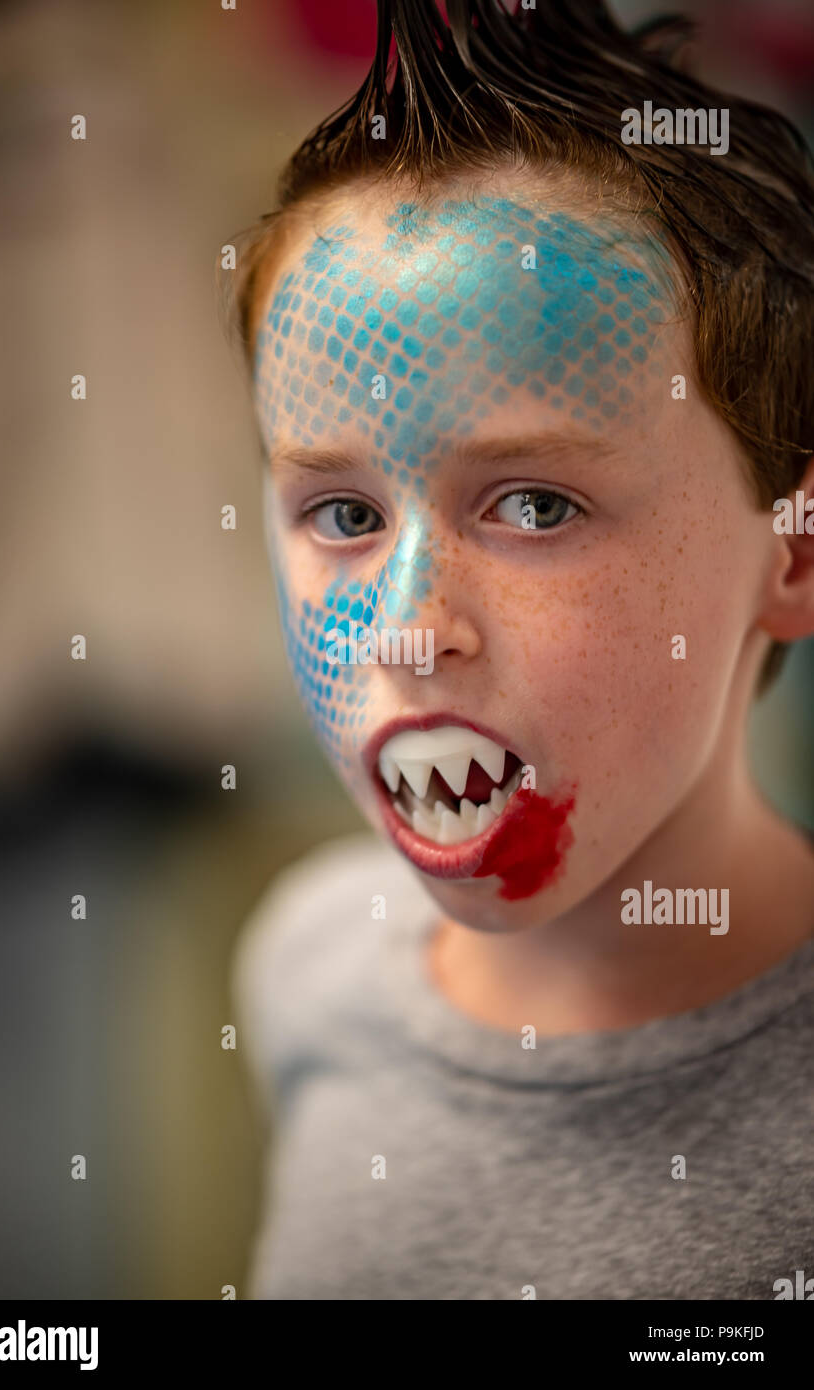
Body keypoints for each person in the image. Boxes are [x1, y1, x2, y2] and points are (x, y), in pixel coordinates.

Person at [220, 0, 814, 1299]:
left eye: (536, 505)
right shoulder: (308, 963)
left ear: (798, 550)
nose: (410, 631)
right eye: (343, 514)